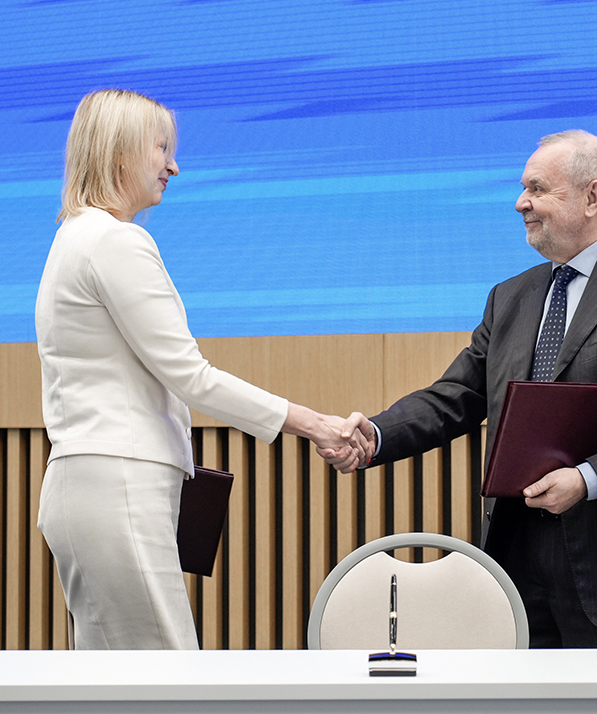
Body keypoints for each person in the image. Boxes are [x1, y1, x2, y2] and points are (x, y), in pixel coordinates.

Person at [323, 130, 597, 648]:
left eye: (537, 188)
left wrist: (585, 479)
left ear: (592, 197)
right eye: (522, 188)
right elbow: (456, 396)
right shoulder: (510, 296)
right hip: (517, 566)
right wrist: (375, 435)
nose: (520, 203)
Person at [35, 89, 367, 650]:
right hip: (119, 486)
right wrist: (316, 424)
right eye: (161, 148)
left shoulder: (73, 237)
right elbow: (191, 375)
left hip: (89, 486)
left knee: (111, 680)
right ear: (119, 153)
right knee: (167, 678)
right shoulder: (115, 241)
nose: (173, 166)